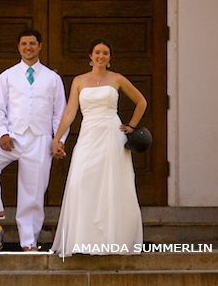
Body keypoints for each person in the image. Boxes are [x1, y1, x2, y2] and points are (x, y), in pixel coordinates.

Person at [0, 29, 67, 252]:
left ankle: (29, 242)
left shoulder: (53, 78)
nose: (28, 48)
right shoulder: (7, 76)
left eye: (32, 44)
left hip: (40, 140)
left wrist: (58, 140)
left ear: (40, 46)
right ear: (19, 47)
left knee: (32, 194)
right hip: (12, 136)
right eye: (24, 44)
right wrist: (2, 133)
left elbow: (59, 114)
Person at [50, 38, 147, 257]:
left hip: (112, 135)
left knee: (113, 184)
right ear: (90, 56)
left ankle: (113, 239)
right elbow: (70, 112)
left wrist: (131, 126)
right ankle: (83, 239)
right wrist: (57, 138)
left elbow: (142, 102)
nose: (101, 56)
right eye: (97, 52)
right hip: (88, 134)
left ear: (109, 58)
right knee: (81, 182)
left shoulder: (118, 79)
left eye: (105, 53)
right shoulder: (79, 81)